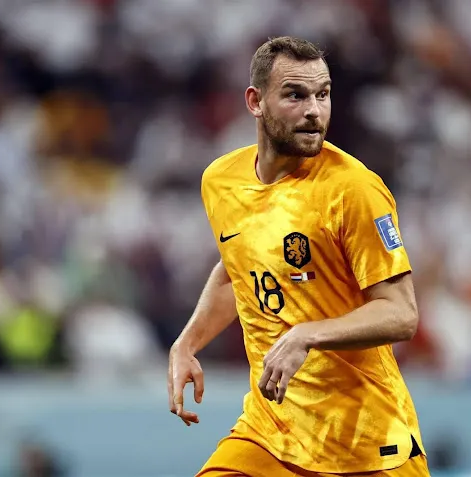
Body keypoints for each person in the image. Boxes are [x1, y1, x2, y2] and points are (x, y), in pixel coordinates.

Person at [168, 36, 429, 477]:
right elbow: (237, 270)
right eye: (295, 95)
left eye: (322, 95)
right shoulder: (221, 180)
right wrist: (186, 344)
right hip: (270, 432)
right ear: (255, 102)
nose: (314, 110)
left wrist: (306, 335)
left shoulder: (354, 190)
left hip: (364, 442)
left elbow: (401, 314)